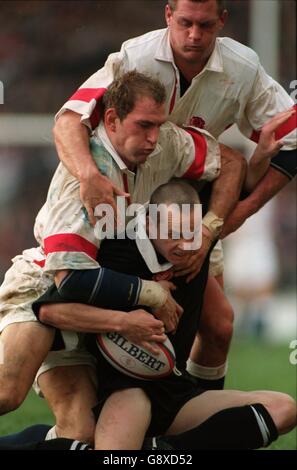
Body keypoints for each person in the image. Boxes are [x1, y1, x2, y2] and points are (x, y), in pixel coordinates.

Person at [52, 0, 297, 390]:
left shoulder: (243, 67)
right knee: (95, 306)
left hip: (192, 210)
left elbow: (292, 139)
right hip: (126, 205)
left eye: (204, 24)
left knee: (218, 327)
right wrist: (87, 175)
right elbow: (69, 118)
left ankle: (189, 425)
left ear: (222, 21)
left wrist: (234, 216)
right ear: (168, 15)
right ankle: (99, 416)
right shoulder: (137, 56)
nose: (194, 35)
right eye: (185, 23)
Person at [0, 71, 245, 443]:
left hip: (105, 291)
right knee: (7, 393)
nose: (153, 138)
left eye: (158, 125)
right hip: (44, 285)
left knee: (80, 434)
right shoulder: (84, 180)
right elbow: (71, 280)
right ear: (111, 119)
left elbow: (230, 163)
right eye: (144, 125)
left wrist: (208, 230)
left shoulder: (165, 142)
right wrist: (151, 294)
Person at [29, 180, 297, 450]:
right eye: (172, 233)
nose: (184, 244)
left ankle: (159, 449)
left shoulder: (198, 251)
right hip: (127, 392)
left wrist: (263, 154)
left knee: (284, 409)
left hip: (177, 393)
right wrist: (126, 321)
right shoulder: (116, 253)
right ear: (149, 224)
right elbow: (50, 310)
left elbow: (241, 183)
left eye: (191, 233)